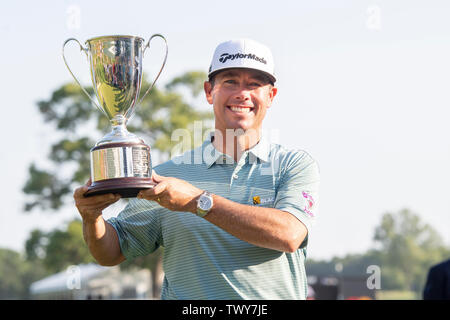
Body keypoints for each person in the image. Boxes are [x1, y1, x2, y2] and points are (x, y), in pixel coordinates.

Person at [74, 38, 320, 300]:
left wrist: (196, 202)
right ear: (208, 91)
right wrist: (92, 218)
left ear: (271, 96)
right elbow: (112, 251)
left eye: (254, 84)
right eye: (230, 82)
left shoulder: (293, 165)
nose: (242, 93)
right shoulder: (168, 175)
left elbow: (289, 234)